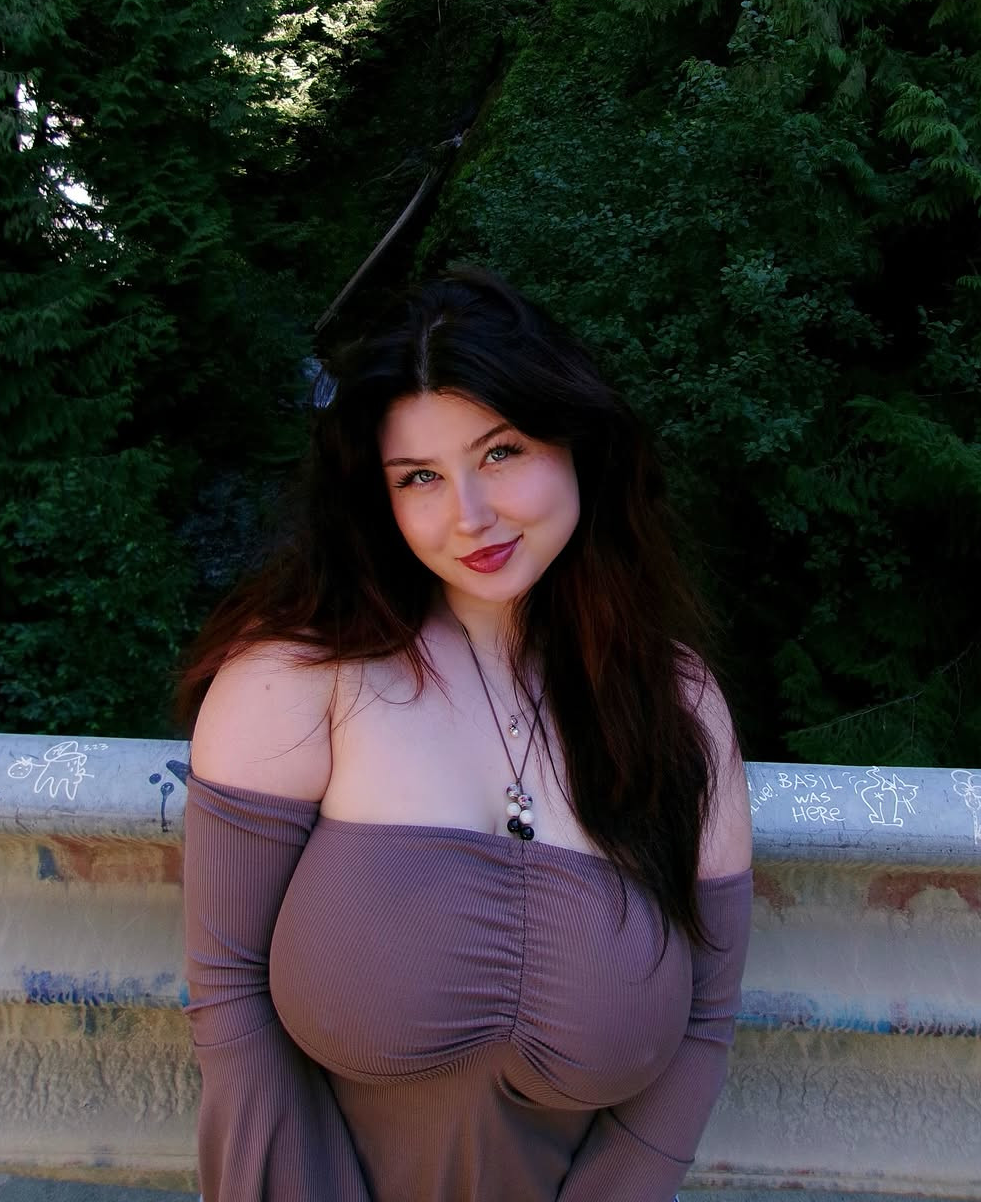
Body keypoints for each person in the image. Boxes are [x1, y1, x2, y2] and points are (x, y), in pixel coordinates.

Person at [178, 267, 753, 1202]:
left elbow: (705, 1025)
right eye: (420, 477)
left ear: (578, 442)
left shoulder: (677, 705)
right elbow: (230, 1002)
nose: (469, 516)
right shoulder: (295, 679)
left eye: (501, 452)